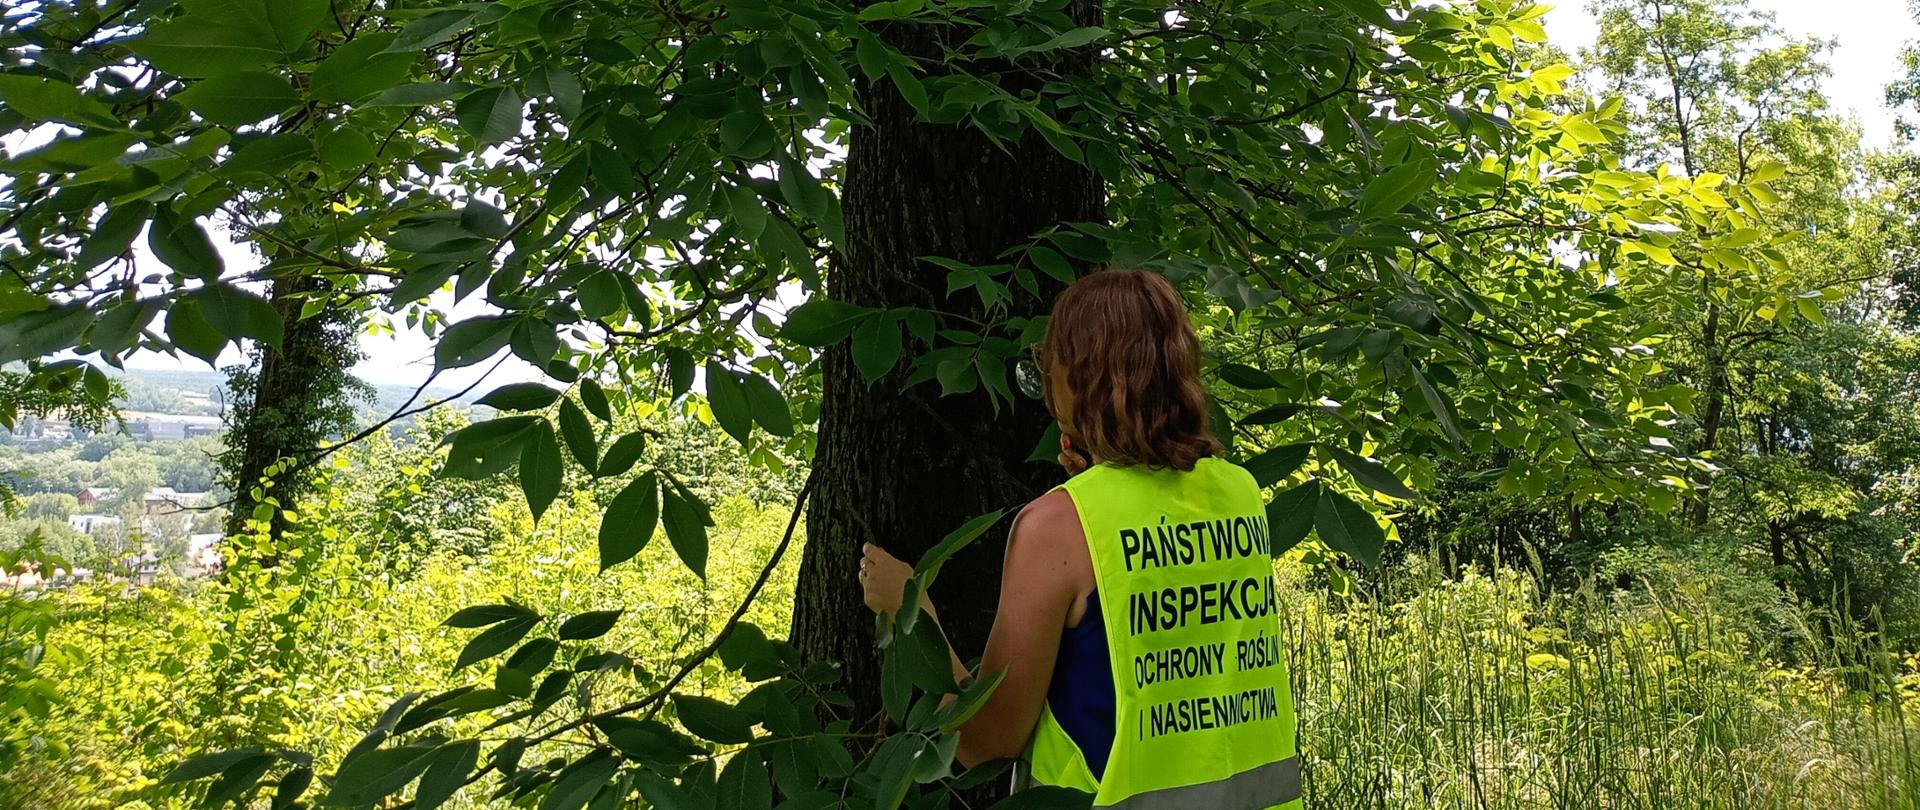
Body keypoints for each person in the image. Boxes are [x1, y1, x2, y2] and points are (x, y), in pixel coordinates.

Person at [857, 268, 1303, 809]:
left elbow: (987, 740)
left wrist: (913, 608)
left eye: (1050, 364)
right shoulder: (1239, 491)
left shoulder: (1057, 527)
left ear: (1081, 377)